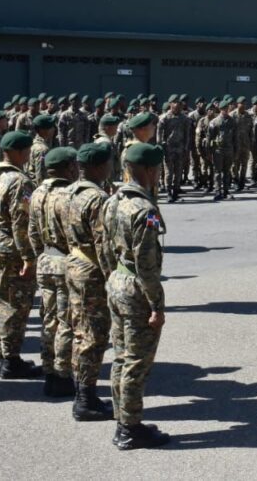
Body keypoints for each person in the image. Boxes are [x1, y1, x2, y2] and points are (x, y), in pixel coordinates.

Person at [101, 142, 170, 449]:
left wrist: (111, 279)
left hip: (117, 280)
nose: (157, 174)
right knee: (137, 361)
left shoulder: (113, 200)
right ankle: (130, 428)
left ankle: (122, 417)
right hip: (136, 288)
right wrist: (157, 305)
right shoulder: (144, 209)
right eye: (156, 168)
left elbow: (104, 247)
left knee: (121, 357)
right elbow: (147, 265)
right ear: (148, 169)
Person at [64, 142, 116, 421]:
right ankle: (85, 399)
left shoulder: (69, 190)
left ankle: (82, 391)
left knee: (79, 331)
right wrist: (113, 278)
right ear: (100, 166)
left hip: (73, 264)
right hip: (92, 271)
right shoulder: (98, 199)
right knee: (94, 336)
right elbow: (103, 245)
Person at [0, 130, 42, 379]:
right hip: (11, 248)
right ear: (20, 152)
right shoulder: (20, 182)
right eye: (27, 151)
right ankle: (10, 360)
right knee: (15, 306)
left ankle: (3, 355)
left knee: (0, 303)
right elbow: (21, 223)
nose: (29, 155)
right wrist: (29, 257)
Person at [29, 146, 78, 397]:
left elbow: (32, 233)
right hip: (65, 262)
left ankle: (48, 369)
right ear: (70, 168)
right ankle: (62, 374)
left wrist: (40, 255)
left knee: (48, 319)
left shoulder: (37, 192)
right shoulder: (69, 195)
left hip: (45, 260)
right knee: (66, 321)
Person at [157, 97, 192, 203]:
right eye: (174, 102)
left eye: (178, 103)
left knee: (178, 170)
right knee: (168, 171)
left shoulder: (184, 118)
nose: (176, 105)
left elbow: (187, 134)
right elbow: (159, 132)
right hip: (169, 147)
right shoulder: (165, 117)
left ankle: (176, 192)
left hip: (180, 148)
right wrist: (160, 144)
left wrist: (186, 147)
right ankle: (168, 192)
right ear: (170, 104)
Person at [207, 99, 238, 200]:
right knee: (217, 172)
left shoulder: (232, 121)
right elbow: (209, 138)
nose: (225, 110)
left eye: (227, 108)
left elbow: (235, 137)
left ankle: (226, 191)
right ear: (220, 109)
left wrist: (236, 150)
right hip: (218, 150)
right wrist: (209, 152)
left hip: (229, 149)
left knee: (227, 171)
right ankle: (217, 191)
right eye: (223, 109)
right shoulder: (214, 122)